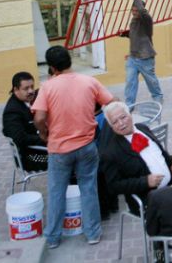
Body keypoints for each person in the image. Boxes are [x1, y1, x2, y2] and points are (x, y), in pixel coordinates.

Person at [32, 46, 116, 249]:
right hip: (87, 146)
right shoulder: (89, 81)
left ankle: (52, 238)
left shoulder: (47, 87)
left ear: (52, 68)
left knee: (56, 192)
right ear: (69, 61)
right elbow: (113, 102)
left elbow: (40, 117)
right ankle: (93, 234)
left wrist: (44, 134)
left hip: (59, 150)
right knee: (89, 189)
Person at [99, 102, 172, 215]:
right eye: (115, 122)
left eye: (123, 117)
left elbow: (161, 155)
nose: (121, 123)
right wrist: (145, 182)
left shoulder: (143, 128)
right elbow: (113, 186)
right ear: (111, 126)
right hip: (148, 199)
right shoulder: (110, 153)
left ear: (130, 114)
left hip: (171, 187)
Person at [120, 0, 164, 108]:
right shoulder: (134, 20)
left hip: (145, 57)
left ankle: (158, 98)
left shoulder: (146, 19)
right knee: (130, 82)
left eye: (136, 10)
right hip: (133, 58)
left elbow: (141, 10)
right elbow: (136, 35)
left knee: (151, 81)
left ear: (142, 10)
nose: (134, 12)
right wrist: (124, 34)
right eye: (132, 10)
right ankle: (129, 105)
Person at [2, 71, 47, 172]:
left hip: (37, 151)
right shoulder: (12, 111)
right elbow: (19, 138)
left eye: (32, 86)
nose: (31, 91)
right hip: (30, 158)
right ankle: (70, 186)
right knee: (65, 158)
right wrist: (45, 139)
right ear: (16, 89)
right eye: (26, 88)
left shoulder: (24, 101)